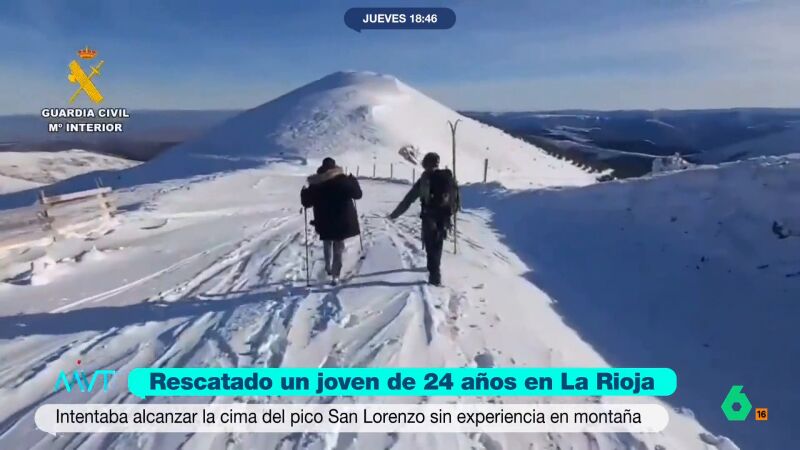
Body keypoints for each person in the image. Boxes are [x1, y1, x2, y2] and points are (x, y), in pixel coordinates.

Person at [388, 152, 458, 286]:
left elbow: (408, 199)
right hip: (444, 216)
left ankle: (434, 275)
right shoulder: (447, 177)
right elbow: (455, 198)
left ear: (426, 164)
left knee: (431, 244)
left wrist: (394, 214)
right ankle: (435, 269)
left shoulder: (425, 180)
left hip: (429, 215)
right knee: (438, 244)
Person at [301, 157, 362, 285]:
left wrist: (304, 192)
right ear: (335, 167)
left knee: (327, 242)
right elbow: (357, 194)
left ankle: (328, 267)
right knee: (338, 247)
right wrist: (353, 181)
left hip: (324, 221)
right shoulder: (343, 180)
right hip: (342, 221)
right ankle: (335, 275)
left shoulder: (316, 183)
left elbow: (306, 203)